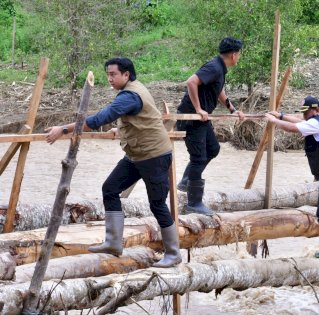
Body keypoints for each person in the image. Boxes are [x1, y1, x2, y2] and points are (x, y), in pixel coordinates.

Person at [45, 57, 181, 268]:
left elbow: (100, 118)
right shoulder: (131, 91)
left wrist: (63, 129)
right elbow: (141, 118)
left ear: (126, 75)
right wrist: (122, 129)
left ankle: (173, 253)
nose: (109, 78)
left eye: (113, 74)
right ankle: (113, 242)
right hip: (136, 154)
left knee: (157, 204)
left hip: (154, 156)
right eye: (108, 74)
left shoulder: (130, 95)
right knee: (110, 188)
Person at [265, 96, 319, 261]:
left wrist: (274, 121)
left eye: (306, 112)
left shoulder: (315, 123)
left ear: (314, 110)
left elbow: (293, 128)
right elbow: (299, 120)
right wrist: (281, 115)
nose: (304, 115)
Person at [175, 37, 245, 215]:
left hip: (202, 119)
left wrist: (232, 109)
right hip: (191, 118)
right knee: (198, 158)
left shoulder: (220, 69)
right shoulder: (214, 66)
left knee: (213, 149)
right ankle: (194, 203)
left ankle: (186, 180)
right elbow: (191, 82)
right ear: (234, 54)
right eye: (239, 54)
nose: (239, 57)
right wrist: (198, 108)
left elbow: (218, 90)